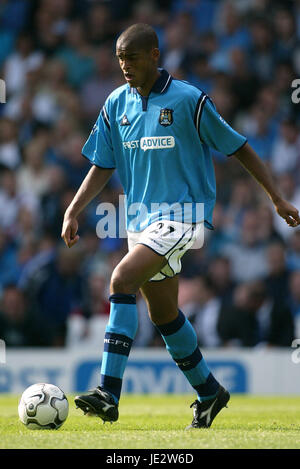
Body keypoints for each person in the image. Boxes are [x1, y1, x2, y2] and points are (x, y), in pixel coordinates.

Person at [61, 24, 300, 429]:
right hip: (139, 221)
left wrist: (275, 197)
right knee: (164, 314)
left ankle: (108, 392)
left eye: (132, 58)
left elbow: (238, 146)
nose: (124, 66)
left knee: (121, 279)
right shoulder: (115, 104)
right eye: (120, 59)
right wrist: (73, 209)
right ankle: (209, 392)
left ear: (154, 55)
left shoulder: (189, 99)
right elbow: (103, 164)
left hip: (184, 216)